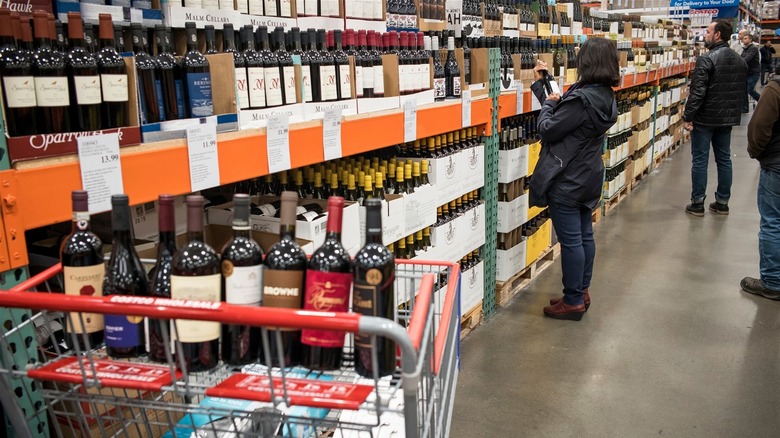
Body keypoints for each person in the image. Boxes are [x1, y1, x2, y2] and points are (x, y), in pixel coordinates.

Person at [528, 37, 618, 321]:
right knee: (584, 235)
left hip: (568, 178)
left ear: (587, 63)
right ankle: (581, 290)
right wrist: (546, 83)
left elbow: (548, 128)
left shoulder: (582, 100)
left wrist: (546, 107)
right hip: (588, 175)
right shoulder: (603, 94)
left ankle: (573, 300)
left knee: (570, 242)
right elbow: (566, 108)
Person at [683, 19, 747, 217]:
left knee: (700, 160)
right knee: (724, 159)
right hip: (726, 120)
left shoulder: (707, 59)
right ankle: (722, 202)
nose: (705, 35)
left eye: (709, 31)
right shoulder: (739, 60)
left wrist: (688, 117)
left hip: (705, 119)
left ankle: (697, 202)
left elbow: (697, 93)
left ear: (717, 34)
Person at [742, 67, 780, 300]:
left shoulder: (775, 88)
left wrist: (757, 153)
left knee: (773, 221)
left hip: (777, 164)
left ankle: (773, 281)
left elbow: (759, 127)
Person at [741, 33, 761, 112]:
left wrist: (740, 62)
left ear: (750, 39)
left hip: (753, 73)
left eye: (746, 38)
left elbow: (747, 59)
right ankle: (745, 108)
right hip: (747, 73)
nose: (744, 40)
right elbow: (741, 57)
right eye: (743, 38)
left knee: (750, 89)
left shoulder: (753, 48)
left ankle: (762, 100)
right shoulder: (745, 49)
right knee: (745, 90)